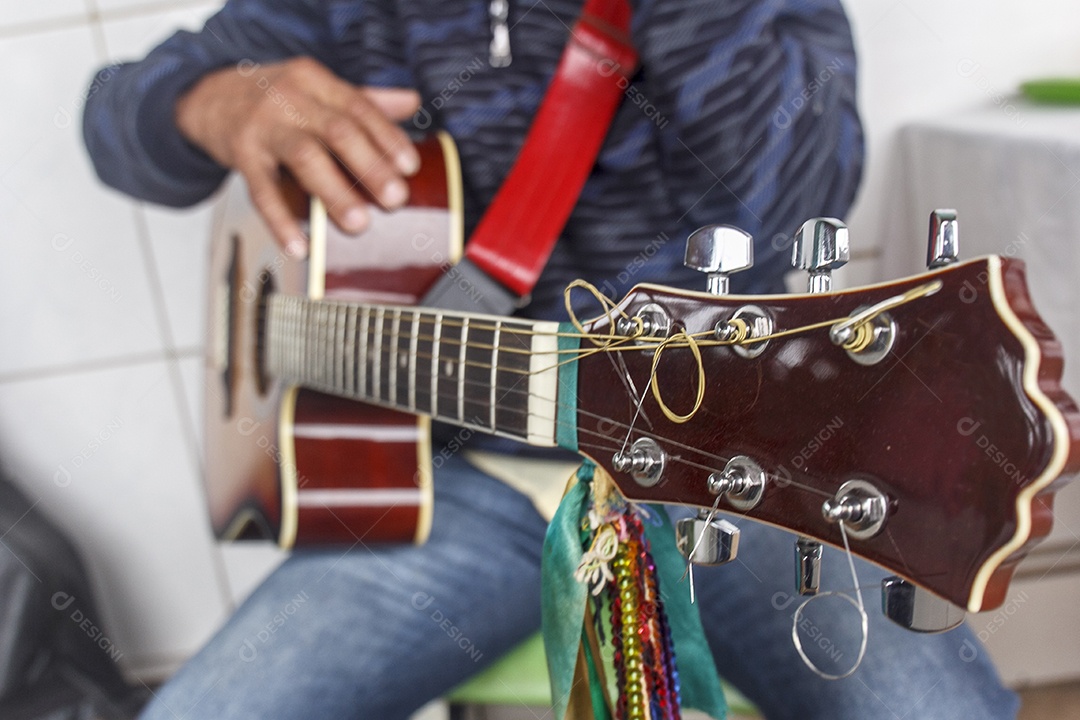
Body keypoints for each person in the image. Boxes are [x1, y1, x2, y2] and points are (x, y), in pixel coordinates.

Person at [82, 1, 1019, 718]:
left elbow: (784, 212)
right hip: (443, 486)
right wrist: (209, 102)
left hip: (733, 470)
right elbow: (115, 124)